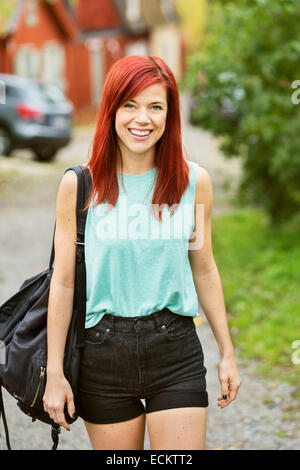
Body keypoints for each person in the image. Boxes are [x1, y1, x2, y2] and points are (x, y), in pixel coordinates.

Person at [43, 55, 242, 450]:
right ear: (111, 109)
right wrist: (54, 373)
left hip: (174, 349)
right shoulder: (80, 186)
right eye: (130, 104)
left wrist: (228, 352)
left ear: (170, 114)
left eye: (156, 106)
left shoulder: (193, 183)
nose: (142, 118)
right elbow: (63, 282)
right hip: (102, 353)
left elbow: (203, 268)